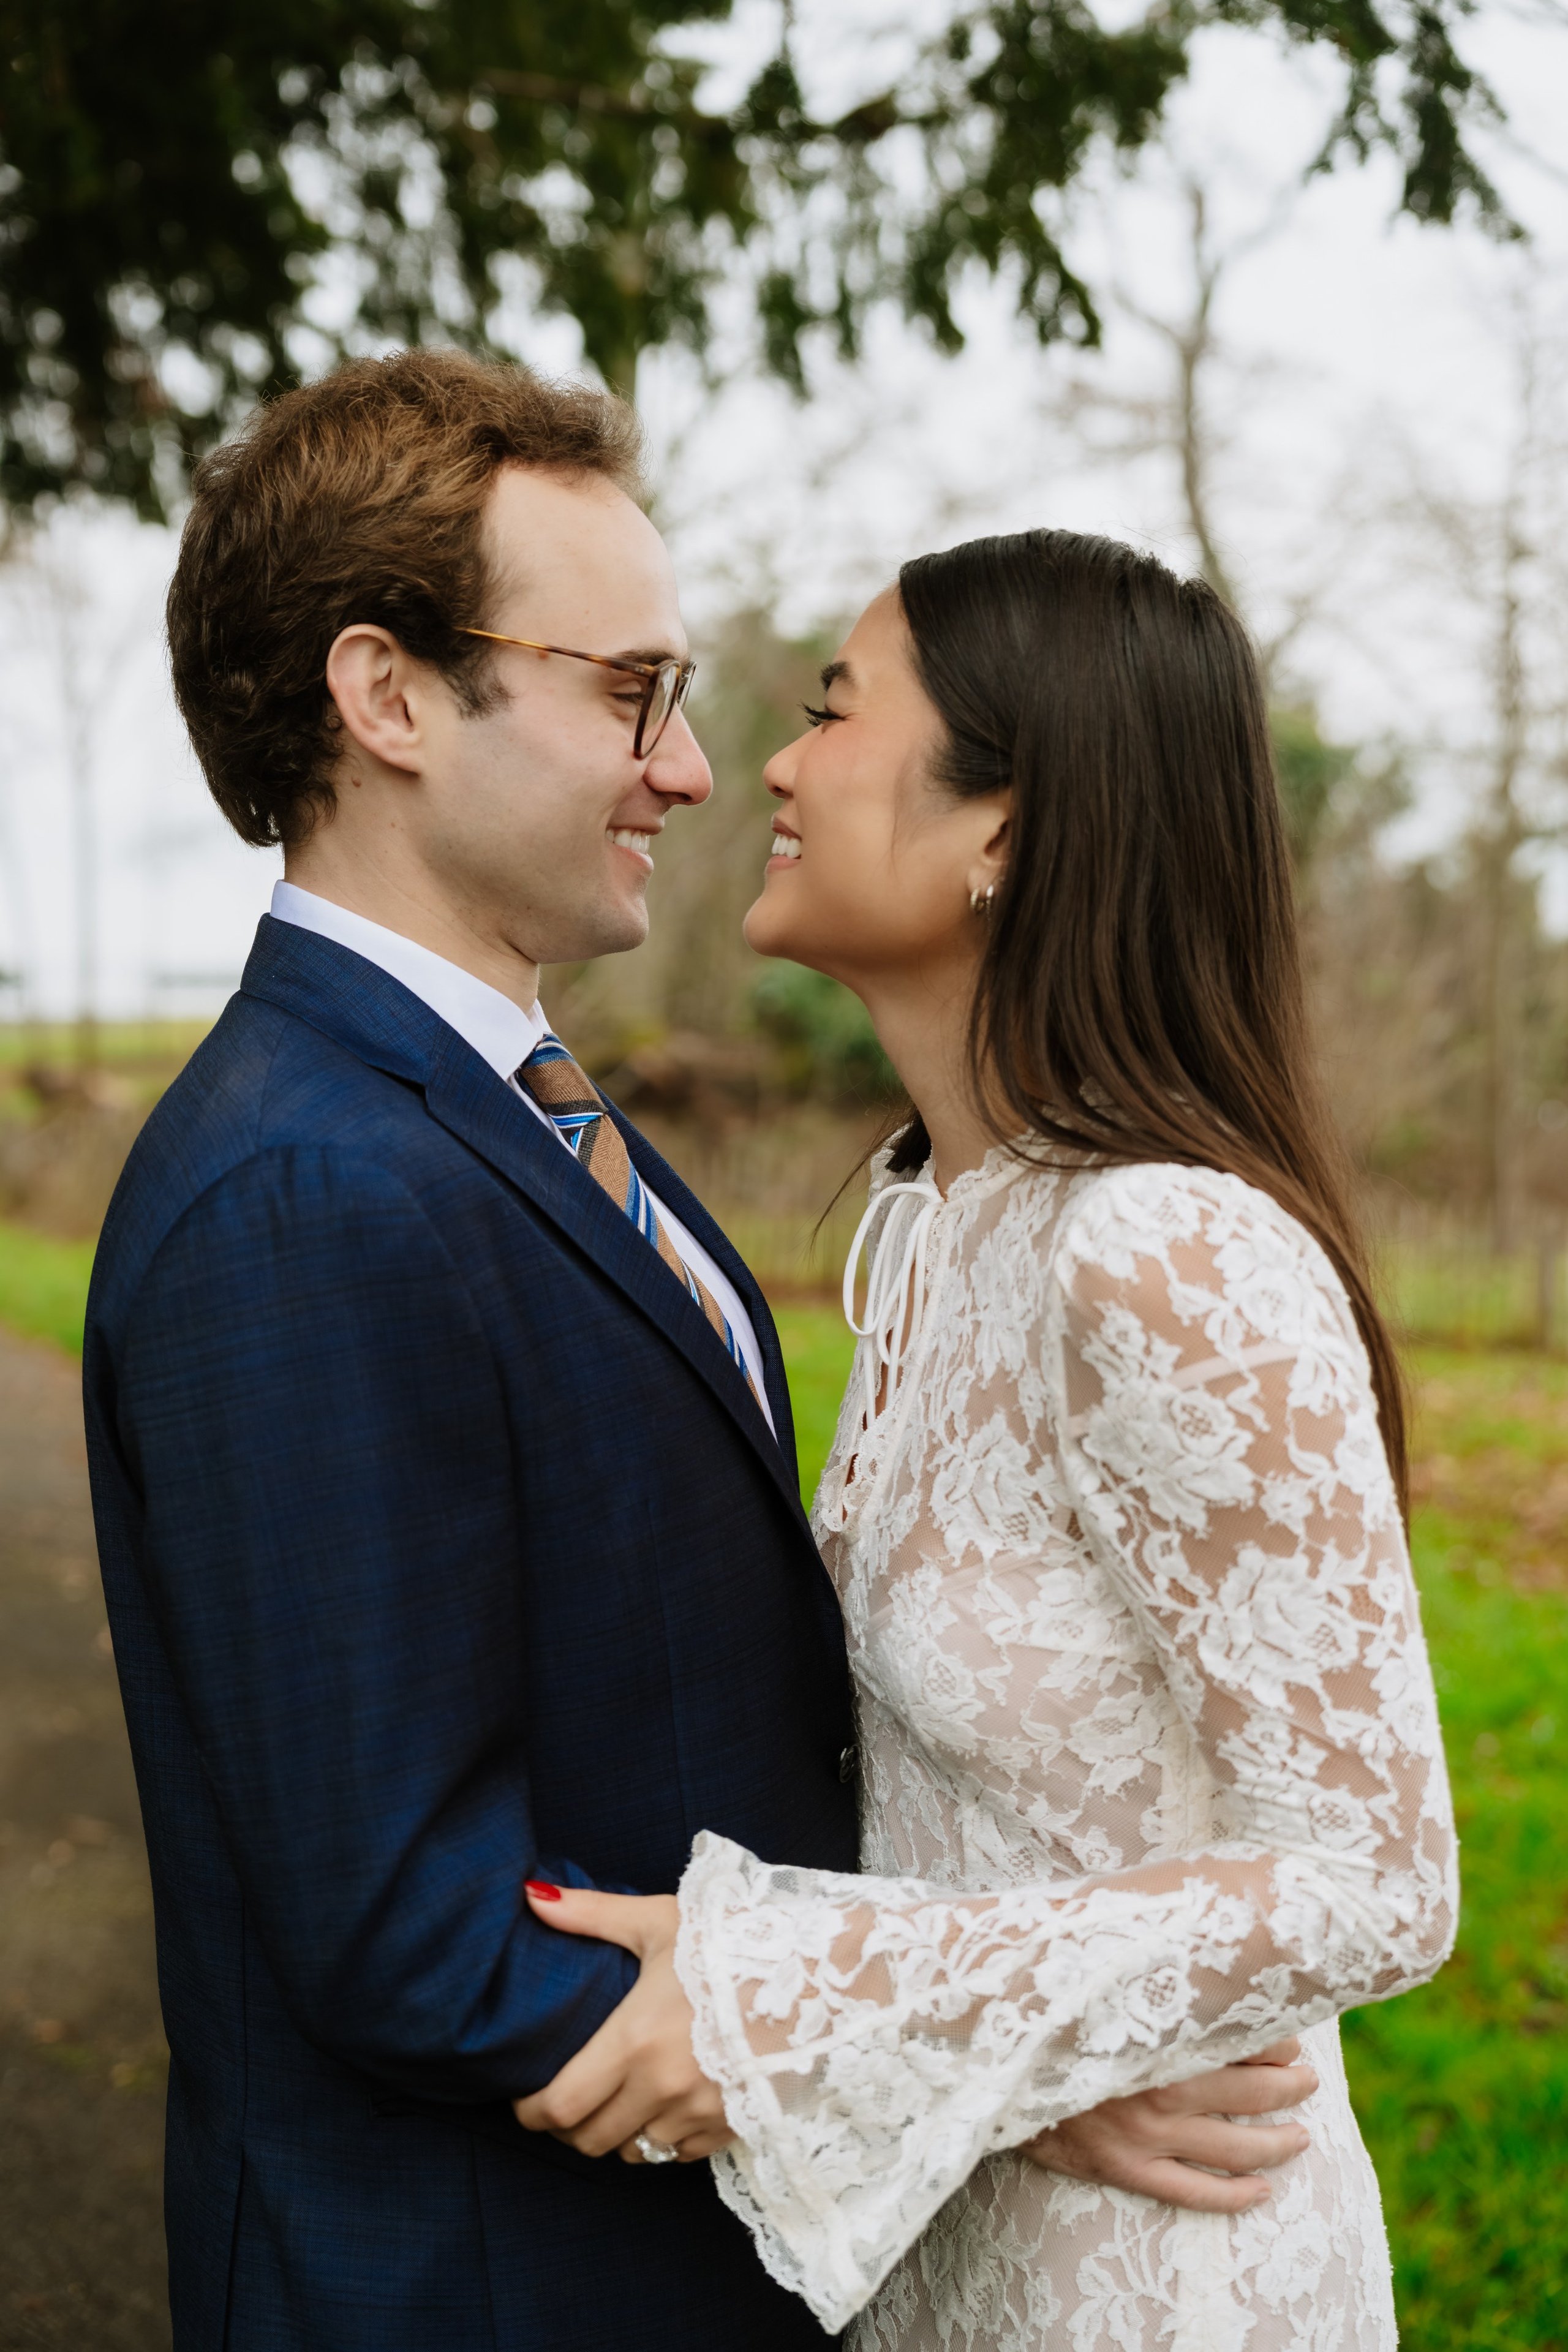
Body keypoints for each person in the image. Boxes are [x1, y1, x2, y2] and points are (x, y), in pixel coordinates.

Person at [83, 353, 1318, 2352]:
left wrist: (970, 2044)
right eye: (627, 691)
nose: (686, 762)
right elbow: (405, 1933)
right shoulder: (301, 1194)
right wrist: (960, 2071)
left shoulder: (523, 1117)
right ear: (386, 696)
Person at [513, 530, 1459, 2350]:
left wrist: (798, 1993)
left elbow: (1378, 1875)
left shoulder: (1163, 1250)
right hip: (960, 2228)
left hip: (1155, 2281)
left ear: (1007, 830)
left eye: (832, 712)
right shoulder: (938, 1226)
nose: (771, 765)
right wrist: (993, 2059)